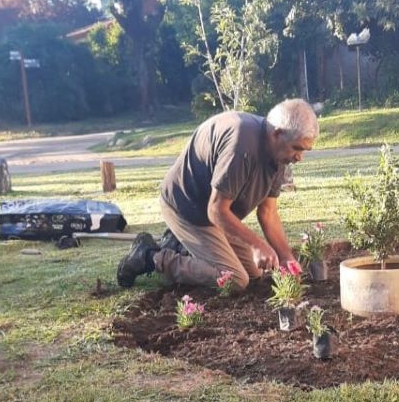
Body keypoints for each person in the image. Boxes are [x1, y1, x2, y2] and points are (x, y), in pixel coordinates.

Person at [116, 99, 319, 291]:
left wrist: (286, 258)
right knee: (236, 280)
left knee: (255, 272)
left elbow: (268, 214)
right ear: (277, 133)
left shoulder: (278, 155)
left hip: (214, 212)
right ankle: (151, 257)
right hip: (185, 207)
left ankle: (181, 245)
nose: (300, 157)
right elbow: (216, 211)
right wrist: (257, 245)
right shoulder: (242, 146)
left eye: (305, 151)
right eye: (297, 148)